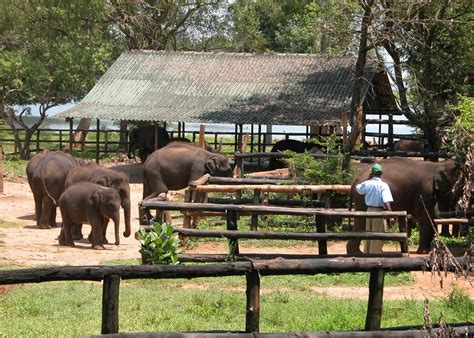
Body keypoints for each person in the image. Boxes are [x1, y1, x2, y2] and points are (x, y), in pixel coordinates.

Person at [355, 163, 395, 253]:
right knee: (378, 235)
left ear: (371, 173)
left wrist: (368, 180)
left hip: (369, 211)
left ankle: (368, 253)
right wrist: (391, 216)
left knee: (369, 233)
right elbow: (386, 202)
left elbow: (358, 188)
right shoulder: (384, 185)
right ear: (381, 174)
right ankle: (375, 254)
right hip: (379, 212)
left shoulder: (367, 184)